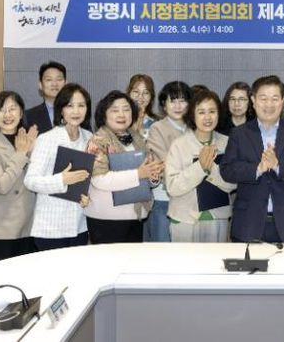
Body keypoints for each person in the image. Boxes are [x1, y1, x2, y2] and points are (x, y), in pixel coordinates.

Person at [221, 75, 284, 243]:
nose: (269, 104)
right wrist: (257, 169)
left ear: (283, 101)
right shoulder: (239, 134)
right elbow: (227, 170)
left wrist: (278, 166)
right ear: (253, 101)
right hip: (247, 224)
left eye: (274, 99)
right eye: (263, 99)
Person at [84, 91, 163, 244]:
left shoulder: (137, 138)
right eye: (115, 110)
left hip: (135, 216)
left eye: (126, 109)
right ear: (104, 114)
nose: (121, 114)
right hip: (106, 218)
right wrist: (138, 174)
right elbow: (99, 179)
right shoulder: (98, 140)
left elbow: (147, 174)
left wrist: (153, 176)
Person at [24, 83, 93, 251]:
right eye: (69, 105)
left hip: (80, 225)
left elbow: (90, 179)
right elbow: (30, 181)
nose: (76, 111)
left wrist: (89, 197)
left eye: (81, 105)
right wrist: (61, 179)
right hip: (51, 227)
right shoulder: (47, 139)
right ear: (61, 110)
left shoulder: (89, 138)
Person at [165, 90, 236, 242]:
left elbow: (234, 183)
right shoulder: (179, 145)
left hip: (217, 217)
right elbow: (172, 187)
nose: (207, 117)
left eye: (212, 111)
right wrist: (200, 167)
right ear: (192, 115)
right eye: (201, 112)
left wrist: (211, 169)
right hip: (185, 220)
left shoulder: (227, 143)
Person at [0, 91, 38, 265]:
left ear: (21, 112)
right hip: (1, 229)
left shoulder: (32, 141)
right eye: (1, 110)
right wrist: (21, 153)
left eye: (12, 109)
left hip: (29, 225)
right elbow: (2, 185)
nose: (7, 114)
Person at [146, 81, 193, 242]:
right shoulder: (157, 128)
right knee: (163, 250)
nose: (178, 106)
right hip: (164, 199)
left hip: (192, 201)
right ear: (164, 106)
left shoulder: (195, 127)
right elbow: (165, 164)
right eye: (172, 101)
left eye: (182, 101)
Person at [25, 61, 68, 134]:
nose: (54, 84)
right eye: (49, 79)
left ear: (66, 84)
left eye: (59, 79)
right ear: (40, 85)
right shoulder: (28, 116)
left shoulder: (77, 113)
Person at [126, 74, 159, 140]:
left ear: (151, 97)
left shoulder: (157, 123)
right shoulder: (121, 119)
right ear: (129, 94)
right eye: (136, 91)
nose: (140, 96)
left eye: (146, 92)